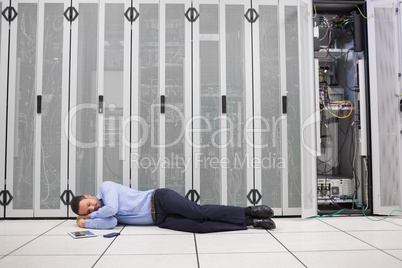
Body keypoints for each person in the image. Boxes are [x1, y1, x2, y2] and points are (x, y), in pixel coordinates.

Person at [71, 181, 276, 233]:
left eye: (88, 204)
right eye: (87, 211)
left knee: (198, 212)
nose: (92, 209)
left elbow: (113, 209)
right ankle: (251, 223)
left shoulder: (105, 188)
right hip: (160, 220)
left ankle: (250, 210)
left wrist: (88, 218)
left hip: (159, 199)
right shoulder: (100, 214)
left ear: (89, 196)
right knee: (200, 227)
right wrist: (88, 224)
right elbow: (111, 223)